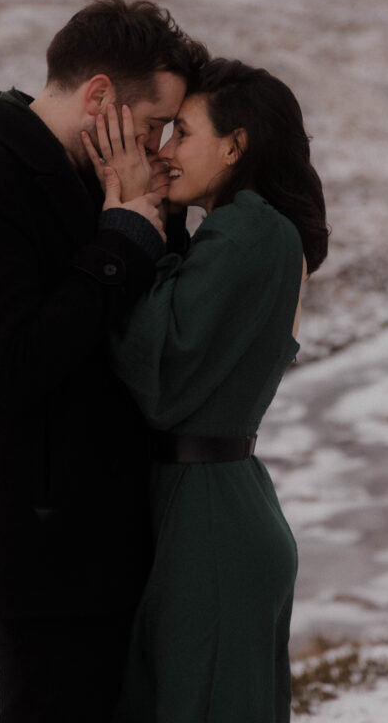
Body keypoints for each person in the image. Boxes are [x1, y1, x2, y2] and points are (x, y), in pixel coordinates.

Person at [0, 0, 208, 723]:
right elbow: (17, 363)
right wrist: (122, 239)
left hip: (115, 543)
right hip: (38, 556)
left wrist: (156, 225)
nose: (157, 145)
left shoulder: (102, 181)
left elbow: (149, 333)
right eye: (153, 125)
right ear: (99, 94)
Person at [86, 57, 329, 723]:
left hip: (210, 522)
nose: (164, 152)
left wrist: (124, 219)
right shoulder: (242, 233)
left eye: (181, 133)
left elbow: (159, 374)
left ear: (234, 145)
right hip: (210, 504)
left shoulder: (250, 232)